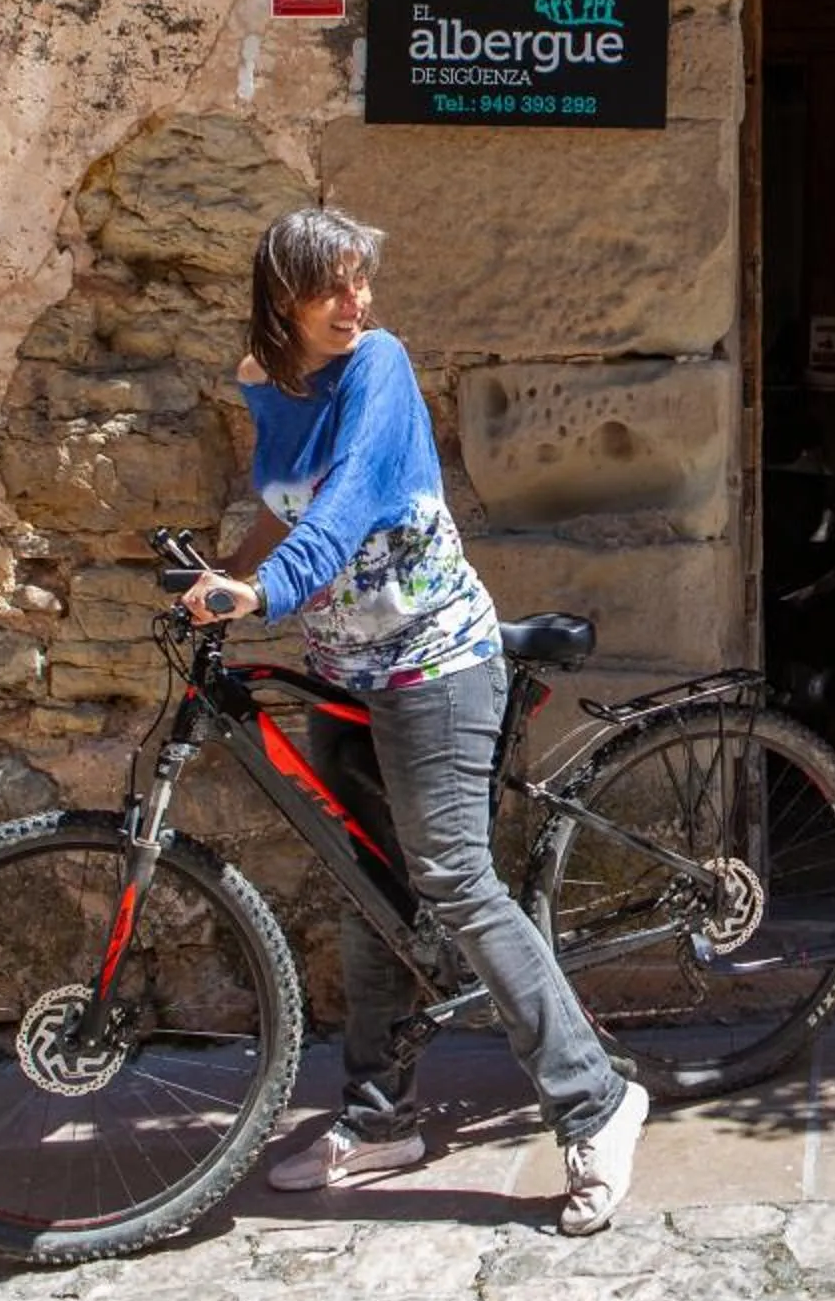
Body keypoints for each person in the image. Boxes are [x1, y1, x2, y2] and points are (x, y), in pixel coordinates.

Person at [179, 206, 650, 1235]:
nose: (357, 302)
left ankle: (596, 1100)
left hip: (435, 659)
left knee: (453, 876)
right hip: (345, 662)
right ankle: (382, 1113)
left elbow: (346, 505)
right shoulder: (269, 381)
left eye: (361, 281)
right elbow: (288, 501)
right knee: (366, 885)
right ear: (283, 297)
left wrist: (267, 595)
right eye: (334, 285)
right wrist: (230, 574)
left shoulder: (379, 364)